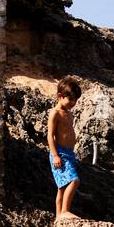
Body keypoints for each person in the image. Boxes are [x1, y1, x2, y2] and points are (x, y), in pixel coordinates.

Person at [48, 76, 83, 218]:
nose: (73, 103)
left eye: (75, 100)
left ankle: (59, 218)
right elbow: (50, 135)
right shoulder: (55, 113)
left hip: (69, 153)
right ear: (60, 96)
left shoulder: (68, 113)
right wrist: (55, 155)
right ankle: (64, 211)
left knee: (62, 188)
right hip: (60, 154)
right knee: (74, 180)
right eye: (70, 99)